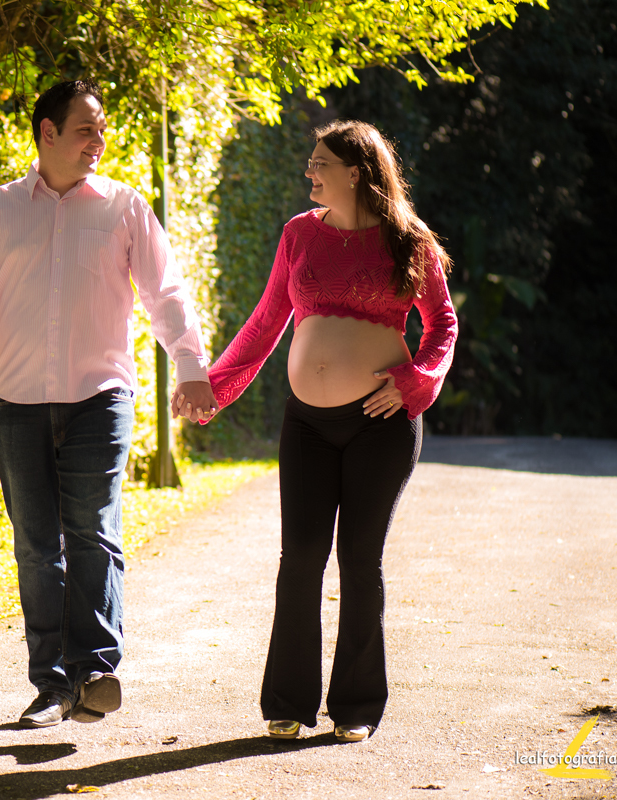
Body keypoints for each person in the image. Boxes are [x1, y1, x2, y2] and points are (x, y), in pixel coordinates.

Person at [0, 79, 217, 729]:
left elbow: (165, 295)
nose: (99, 138)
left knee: (93, 529)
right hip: (18, 403)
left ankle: (95, 669)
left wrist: (192, 367)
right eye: (85, 127)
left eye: (102, 127)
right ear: (46, 133)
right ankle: (52, 685)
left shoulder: (123, 208)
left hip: (100, 398)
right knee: (36, 544)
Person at [174, 119, 458, 742]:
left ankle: (355, 708)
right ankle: (288, 702)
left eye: (319, 163)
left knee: (360, 559)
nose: (310, 173)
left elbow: (442, 325)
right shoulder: (298, 235)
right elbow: (266, 322)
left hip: (379, 425)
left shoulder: (409, 241)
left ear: (355, 171)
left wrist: (416, 384)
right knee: (300, 558)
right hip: (305, 422)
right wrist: (213, 387)